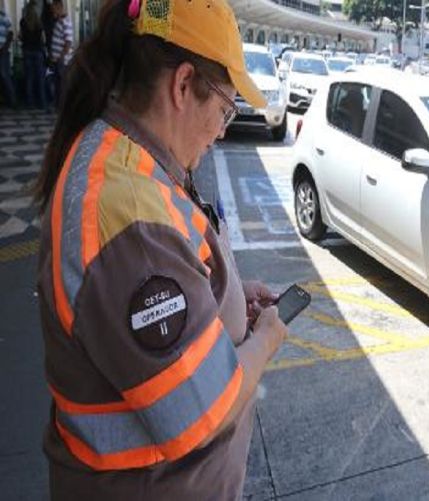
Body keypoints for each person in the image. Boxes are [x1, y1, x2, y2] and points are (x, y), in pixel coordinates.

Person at [33, 0, 287, 498]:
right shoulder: (126, 216)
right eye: (224, 109)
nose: (222, 131)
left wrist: (226, 295)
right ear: (182, 85)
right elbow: (203, 410)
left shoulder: (134, 161)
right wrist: (267, 339)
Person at [21, 0, 47, 109]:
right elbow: (43, 39)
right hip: (38, 51)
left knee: (29, 78)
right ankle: (42, 102)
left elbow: (21, 36)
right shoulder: (39, 23)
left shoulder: (23, 22)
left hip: (27, 51)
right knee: (40, 78)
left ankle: (30, 102)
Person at [48, 0, 72, 106]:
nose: (52, 10)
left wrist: (60, 57)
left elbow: (68, 42)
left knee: (62, 83)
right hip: (57, 59)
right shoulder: (59, 21)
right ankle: (58, 104)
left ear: (59, 7)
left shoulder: (65, 21)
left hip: (61, 60)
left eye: (53, 8)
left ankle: (63, 105)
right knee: (58, 82)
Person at [0, 6, 17, 108]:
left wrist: (5, 48)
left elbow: (11, 33)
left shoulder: (3, 17)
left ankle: (13, 100)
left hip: (3, 52)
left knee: (5, 75)